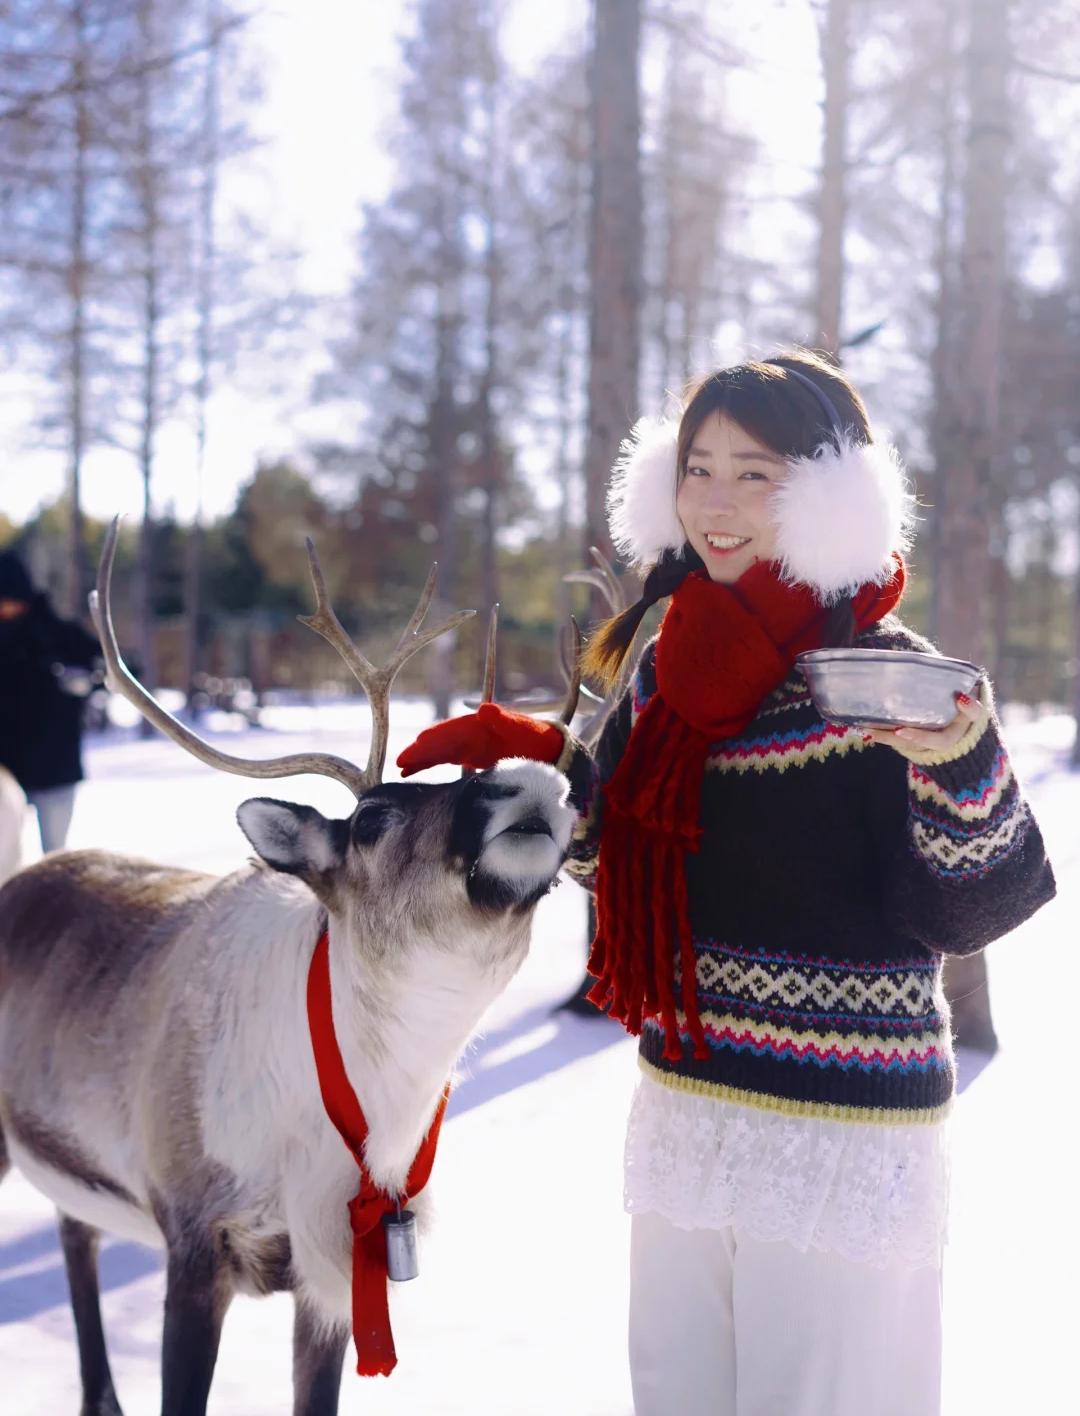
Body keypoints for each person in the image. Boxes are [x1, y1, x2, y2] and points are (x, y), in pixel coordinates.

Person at [396, 353, 1055, 1416]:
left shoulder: (885, 669)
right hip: (691, 1111)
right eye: (699, 467)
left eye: (756, 472)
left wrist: (959, 758)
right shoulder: (671, 663)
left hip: (842, 1137)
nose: (717, 501)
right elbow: (617, 858)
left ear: (833, 489)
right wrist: (548, 767)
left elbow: (977, 902)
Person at [0, 549, 102, 854]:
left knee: (55, 861)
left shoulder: (61, 635)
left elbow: (114, 668)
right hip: (5, 773)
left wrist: (88, 680)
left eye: (10, 602)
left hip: (54, 767)